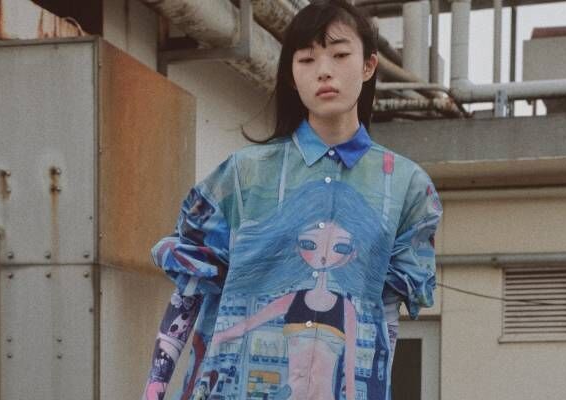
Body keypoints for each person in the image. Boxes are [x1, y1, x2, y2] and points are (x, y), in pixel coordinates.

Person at [142, 1, 443, 399]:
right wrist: (154, 391)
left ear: (369, 65)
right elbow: (190, 289)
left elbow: (385, 317)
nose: (324, 71)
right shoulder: (243, 176)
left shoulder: (407, 188)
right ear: (291, 74)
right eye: (306, 59)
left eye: (340, 55)